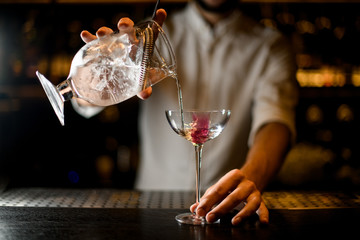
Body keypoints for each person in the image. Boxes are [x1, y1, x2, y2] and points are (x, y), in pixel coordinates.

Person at [75, 0, 298, 225]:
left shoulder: (270, 46)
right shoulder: (151, 37)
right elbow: (85, 103)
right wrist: (90, 87)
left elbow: (276, 121)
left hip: (227, 211)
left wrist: (251, 178)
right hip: (152, 210)